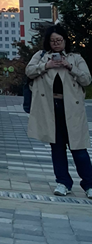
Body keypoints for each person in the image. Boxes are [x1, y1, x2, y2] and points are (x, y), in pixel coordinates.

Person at [26, 24, 92, 197]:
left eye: (59, 40)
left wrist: (69, 66)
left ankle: (89, 184)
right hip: (50, 108)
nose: (56, 43)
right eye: (53, 40)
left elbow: (87, 79)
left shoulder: (75, 58)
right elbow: (29, 71)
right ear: (48, 42)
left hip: (72, 110)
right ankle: (63, 182)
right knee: (57, 148)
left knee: (79, 149)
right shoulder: (41, 57)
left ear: (65, 41)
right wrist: (46, 66)